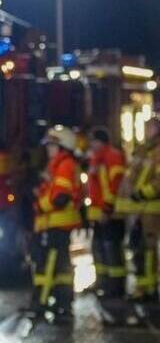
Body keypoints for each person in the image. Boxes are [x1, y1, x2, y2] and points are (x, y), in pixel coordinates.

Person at [31, 126, 82, 322]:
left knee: (48, 266)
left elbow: (60, 197)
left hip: (55, 223)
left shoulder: (64, 165)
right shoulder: (58, 164)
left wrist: (41, 205)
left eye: (53, 145)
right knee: (61, 269)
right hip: (55, 223)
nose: (49, 149)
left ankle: (40, 304)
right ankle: (62, 303)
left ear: (63, 147)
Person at [85, 127, 128, 299]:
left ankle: (116, 288)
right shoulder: (96, 159)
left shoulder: (112, 156)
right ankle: (103, 283)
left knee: (112, 250)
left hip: (111, 213)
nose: (91, 144)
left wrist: (107, 209)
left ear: (100, 141)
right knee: (100, 249)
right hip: (99, 213)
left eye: (93, 141)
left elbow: (115, 184)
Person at [124, 117, 160, 303]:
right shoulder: (143, 150)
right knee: (139, 248)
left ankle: (150, 289)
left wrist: (142, 193)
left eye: (151, 128)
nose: (147, 131)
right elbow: (131, 175)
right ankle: (143, 287)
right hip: (139, 210)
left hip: (151, 210)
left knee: (148, 249)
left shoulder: (157, 152)